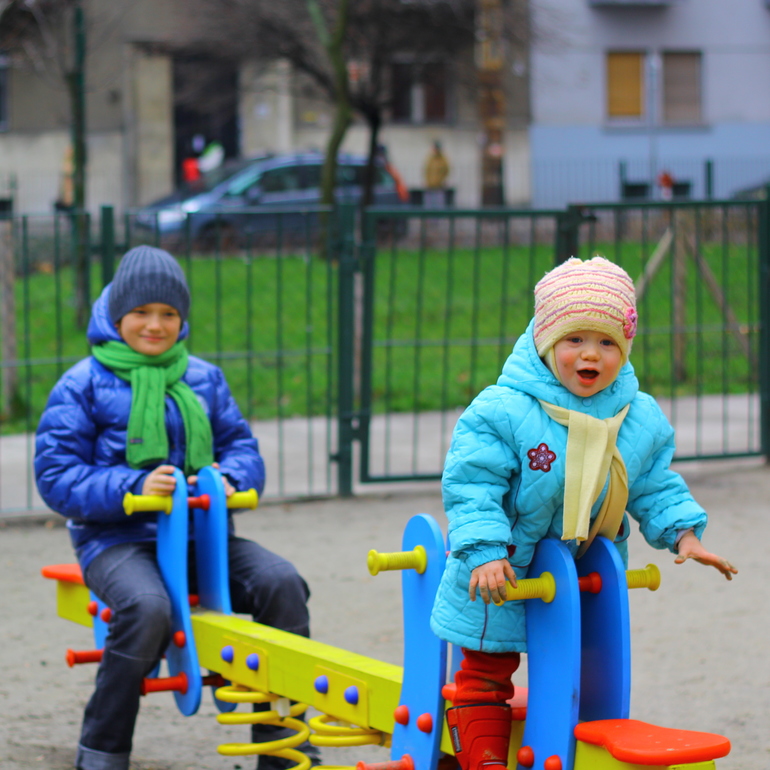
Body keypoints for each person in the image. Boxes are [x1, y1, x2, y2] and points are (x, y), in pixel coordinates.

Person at [429, 256, 737, 770]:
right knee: (485, 668)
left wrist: (685, 534)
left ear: (626, 349)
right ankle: (484, 759)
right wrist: (483, 550)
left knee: (577, 669)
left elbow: (653, 482)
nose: (591, 354)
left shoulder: (636, 416)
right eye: (575, 339)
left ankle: (566, 748)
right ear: (546, 341)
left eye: (607, 342)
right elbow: (473, 485)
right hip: (501, 568)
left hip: (580, 576)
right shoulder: (503, 409)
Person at [35, 245, 315, 770]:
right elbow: (56, 476)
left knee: (282, 583)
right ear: (116, 314)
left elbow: (242, 447)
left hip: (201, 538)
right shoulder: (82, 384)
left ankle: (281, 746)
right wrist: (132, 484)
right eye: (141, 312)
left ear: (182, 319)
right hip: (116, 540)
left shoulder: (203, 378)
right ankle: (102, 751)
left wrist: (228, 479)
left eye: (168, 313)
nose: (155, 325)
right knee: (146, 608)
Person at [423, 140, 450, 207]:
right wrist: (427, 181)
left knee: (439, 205)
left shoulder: (443, 159)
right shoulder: (430, 158)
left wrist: (442, 181)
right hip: (429, 186)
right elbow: (426, 170)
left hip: (439, 186)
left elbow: (446, 171)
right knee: (428, 205)